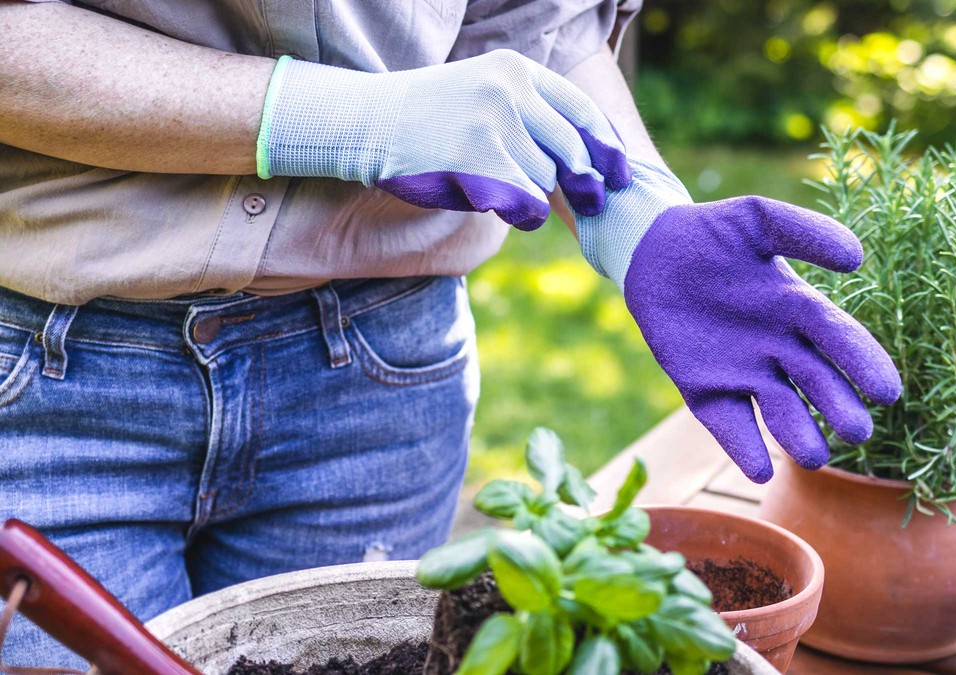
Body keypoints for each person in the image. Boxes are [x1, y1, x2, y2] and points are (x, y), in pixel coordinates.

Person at [0, 0, 901, 667]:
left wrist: (632, 209)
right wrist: (349, 119)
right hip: (51, 378)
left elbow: (533, 22)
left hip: (377, 373)